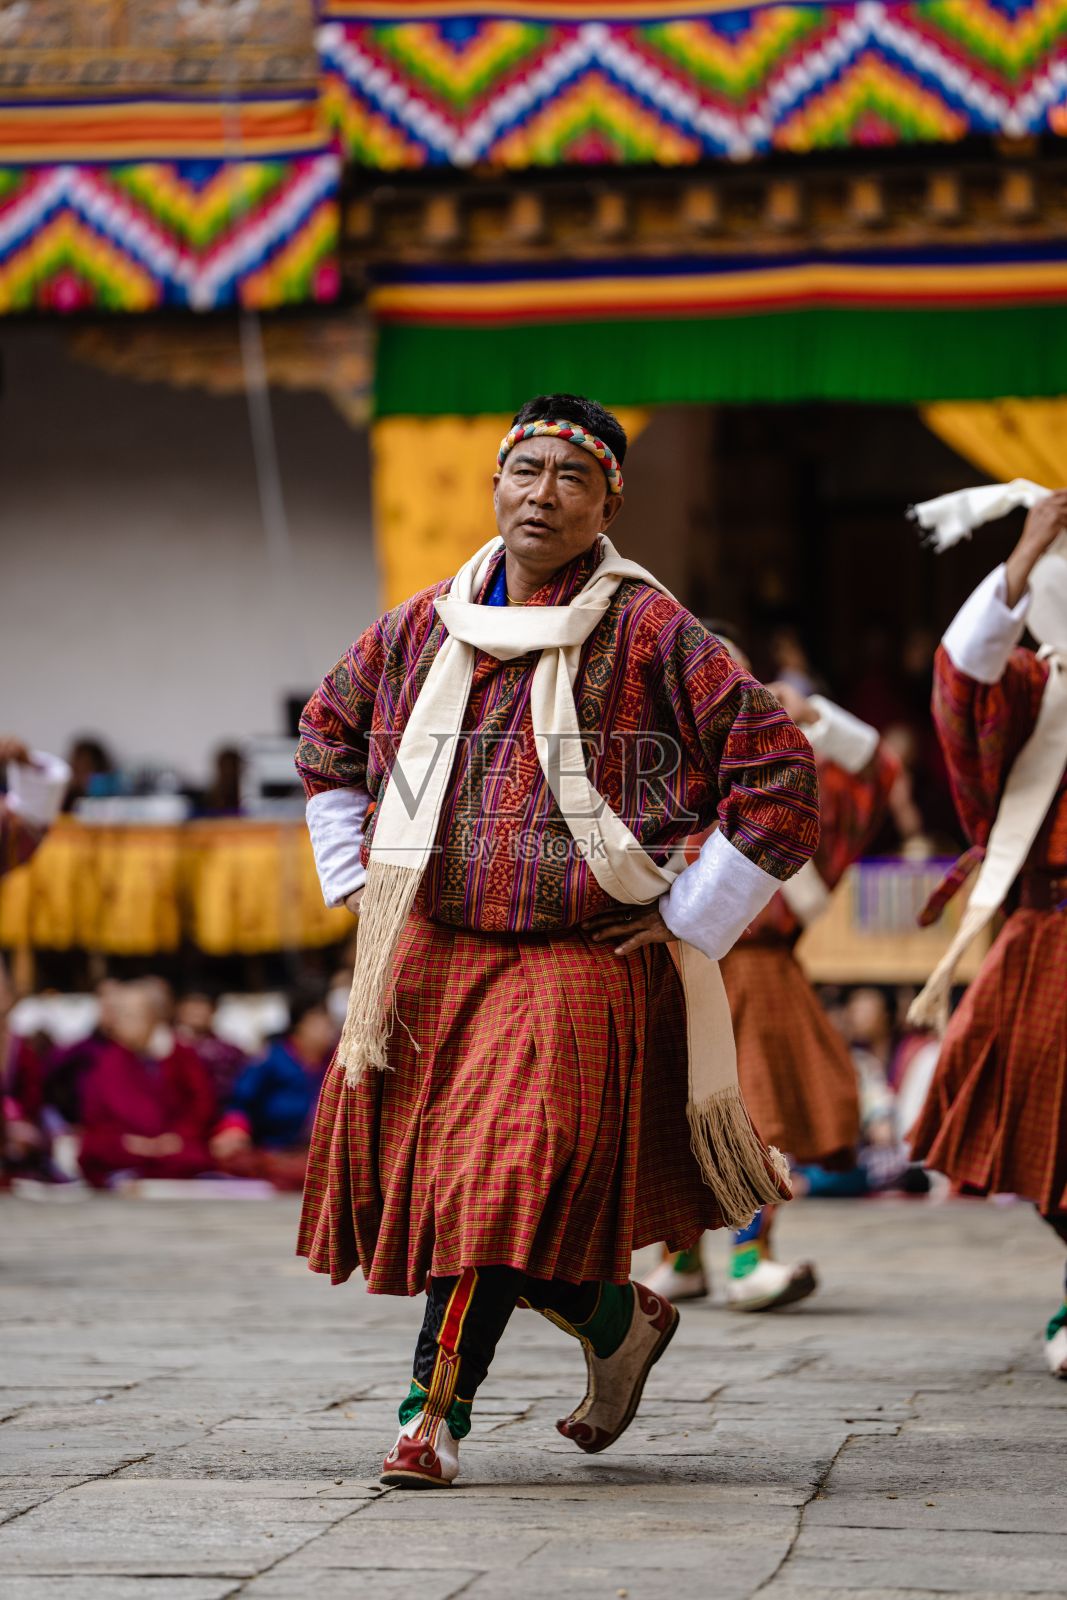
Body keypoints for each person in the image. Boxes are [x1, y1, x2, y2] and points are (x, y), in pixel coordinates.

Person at [295, 393, 819, 1488]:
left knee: (498, 1178)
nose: (541, 494)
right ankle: (616, 1317)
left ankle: (430, 1417)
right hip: (433, 955)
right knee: (457, 1187)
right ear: (495, 485)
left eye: (569, 477)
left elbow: (779, 775)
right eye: (524, 471)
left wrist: (686, 911)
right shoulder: (421, 626)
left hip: (582, 954)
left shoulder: (653, 631)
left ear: (606, 505)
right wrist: (360, 883)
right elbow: (327, 732)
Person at [647, 639, 905, 1311]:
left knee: (755, 1114)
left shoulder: (782, 769)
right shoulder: (649, 763)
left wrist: (813, 716)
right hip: (665, 962)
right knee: (664, 1119)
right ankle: (682, 1258)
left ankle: (748, 1258)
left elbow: (876, 774)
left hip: (759, 969)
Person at [906, 486, 1067, 1380]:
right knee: (1045, 1130)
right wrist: (1024, 553)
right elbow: (961, 679)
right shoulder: (1039, 686)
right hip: (1050, 934)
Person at [78, 980, 217, 1188]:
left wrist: (177, 1137)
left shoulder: (181, 1055)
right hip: (127, 1145)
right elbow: (95, 1116)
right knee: (94, 1149)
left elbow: (201, 1106)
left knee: (191, 1156)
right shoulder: (108, 1060)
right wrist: (127, 1141)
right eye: (120, 1016)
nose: (121, 1023)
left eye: (131, 1016)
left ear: (153, 1017)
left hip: (172, 1145)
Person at [209, 991, 336, 1191]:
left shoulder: (338, 1061)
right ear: (300, 1026)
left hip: (318, 1152)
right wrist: (234, 1128)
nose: (327, 1031)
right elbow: (241, 1100)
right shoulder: (271, 1058)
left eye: (329, 1024)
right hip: (271, 1149)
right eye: (319, 1023)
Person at [175, 988, 246, 1103]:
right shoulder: (167, 1046)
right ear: (180, 1011)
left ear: (213, 1011)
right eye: (192, 1007)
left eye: (202, 1007)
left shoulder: (228, 1050)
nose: (197, 1013)